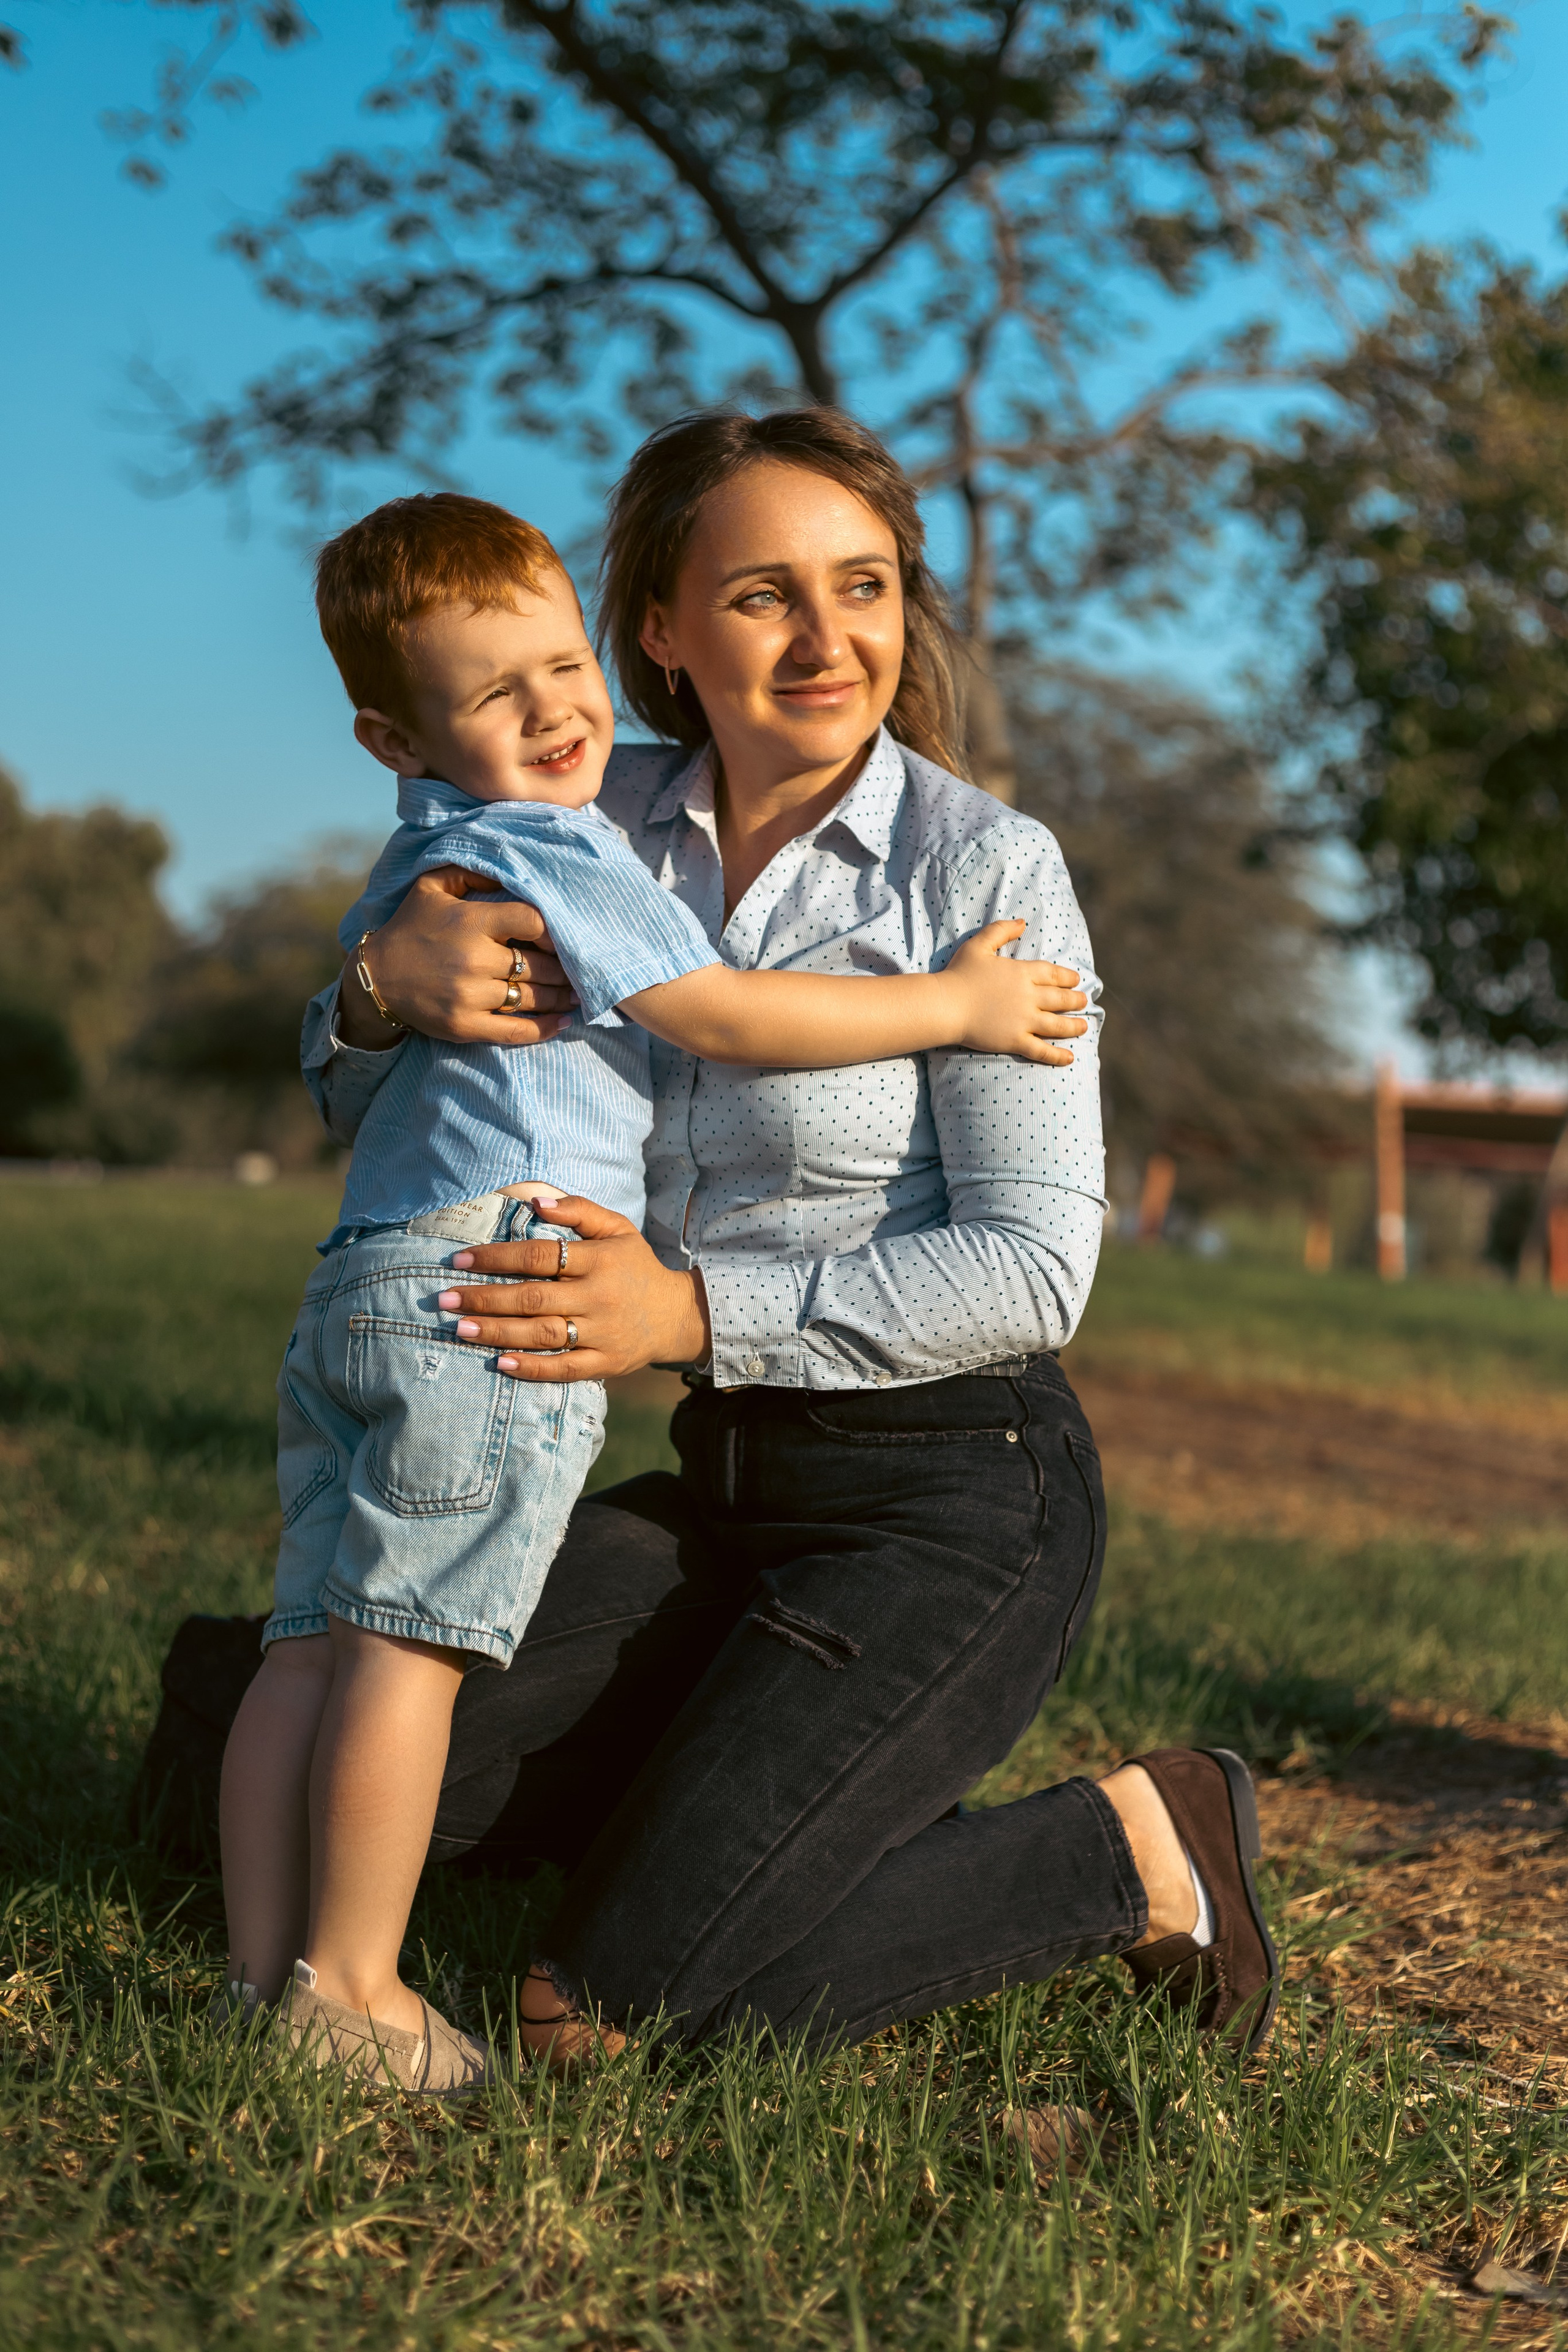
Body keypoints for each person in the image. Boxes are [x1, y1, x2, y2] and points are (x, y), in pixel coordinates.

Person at [295, 407, 1281, 2070]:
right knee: (335, 1753)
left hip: (951, 1502)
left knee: (597, 2013)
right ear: (662, 634)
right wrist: (374, 1001)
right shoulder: (567, 808)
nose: (832, 641)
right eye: (765, 595)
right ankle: (757, 1802)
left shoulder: (982, 870)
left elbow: (1036, 1270)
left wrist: (684, 1309)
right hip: (714, 1497)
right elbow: (368, 1087)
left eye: (867, 587)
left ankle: (1137, 1845)